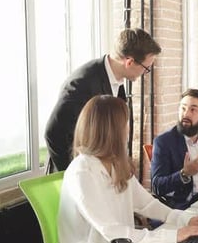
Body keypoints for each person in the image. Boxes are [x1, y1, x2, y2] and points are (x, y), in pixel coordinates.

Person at [58, 95, 198, 243]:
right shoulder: (82, 172)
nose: (128, 129)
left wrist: (186, 219)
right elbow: (112, 231)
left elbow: (146, 204)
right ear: (111, 130)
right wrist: (174, 235)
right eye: (125, 123)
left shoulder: (115, 163)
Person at [45, 28, 162, 172]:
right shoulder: (82, 83)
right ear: (129, 62)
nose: (146, 73)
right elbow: (53, 133)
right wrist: (72, 176)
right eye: (146, 68)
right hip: (75, 174)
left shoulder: (117, 80)